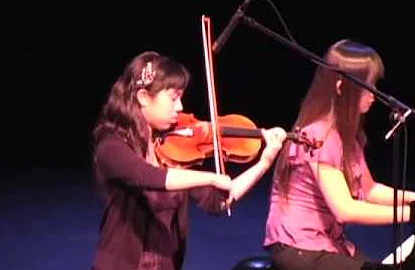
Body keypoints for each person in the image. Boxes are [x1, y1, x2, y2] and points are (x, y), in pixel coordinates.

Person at [90, 51, 287, 270]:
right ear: (143, 97)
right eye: (174, 98)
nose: (180, 107)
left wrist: (264, 162)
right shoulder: (111, 146)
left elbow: (219, 202)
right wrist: (211, 177)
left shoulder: (173, 150)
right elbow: (150, 176)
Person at [263, 39, 415, 270]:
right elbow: (345, 209)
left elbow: (370, 190)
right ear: (341, 86)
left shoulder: (347, 137)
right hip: (299, 247)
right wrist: (413, 214)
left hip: (326, 242)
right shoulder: (319, 136)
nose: (374, 94)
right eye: (369, 86)